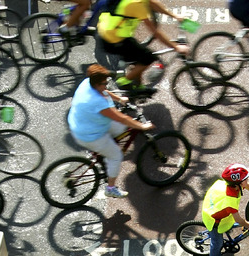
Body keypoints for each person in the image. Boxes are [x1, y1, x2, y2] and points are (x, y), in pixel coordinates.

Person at [68, 63, 154, 199]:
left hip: (81, 123)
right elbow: (121, 117)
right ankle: (111, 188)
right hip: (89, 135)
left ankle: (102, 153)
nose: (107, 85)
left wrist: (119, 98)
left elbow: (104, 91)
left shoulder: (87, 83)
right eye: (104, 83)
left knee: (121, 130)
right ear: (97, 84)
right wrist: (142, 126)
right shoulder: (97, 102)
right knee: (116, 156)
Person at [97, 0, 189, 96]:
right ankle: (123, 81)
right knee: (148, 57)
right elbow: (155, 32)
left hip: (110, 31)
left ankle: (138, 87)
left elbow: (153, 3)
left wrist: (174, 16)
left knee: (139, 58)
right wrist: (176, 47)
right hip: (113, 39)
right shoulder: (137, 4)